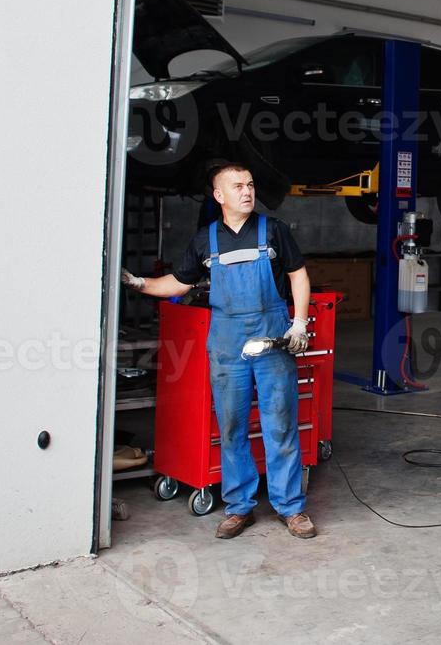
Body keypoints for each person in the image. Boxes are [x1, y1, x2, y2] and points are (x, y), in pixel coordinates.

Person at [122, 163, 317, 540]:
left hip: (271, 335)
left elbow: (298, 275)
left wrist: (300, 323)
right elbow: (178, 283)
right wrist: (139, 282)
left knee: (281, 424)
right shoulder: (205, 240)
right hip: (227, 343)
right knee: (231, 427)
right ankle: (239, 507)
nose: (247, 191)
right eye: (237, 186)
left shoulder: (273, 230)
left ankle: (291, 508)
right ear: (219, 195)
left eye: (250, 184)